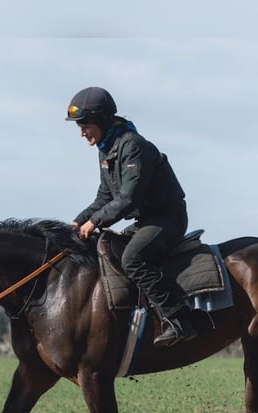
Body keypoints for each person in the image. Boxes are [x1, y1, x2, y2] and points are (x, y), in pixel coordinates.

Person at [66, 86, 198, 347]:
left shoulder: (133, 146)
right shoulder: (106, 151)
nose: (81, 132)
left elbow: (128, 198)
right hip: (145, 221)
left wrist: (96, 222)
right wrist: (79, 220)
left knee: (133, 258)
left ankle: (178, 320)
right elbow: (105, 197)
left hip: (166, 219)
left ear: (101, 120)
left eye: (84, 124)